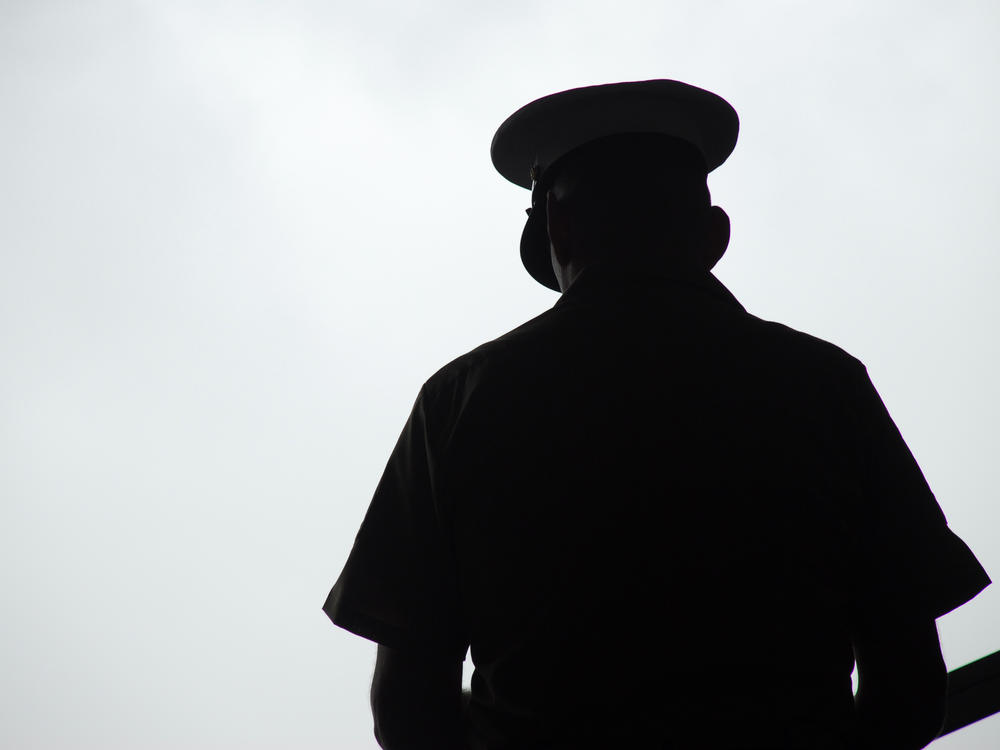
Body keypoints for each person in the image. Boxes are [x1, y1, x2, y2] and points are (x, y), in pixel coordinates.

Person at [322, 80, 991, 750]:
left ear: (556, 228)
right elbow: (908, 685)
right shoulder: (824, 385)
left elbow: (407, 707)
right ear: (713, 235)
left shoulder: (460, 402)